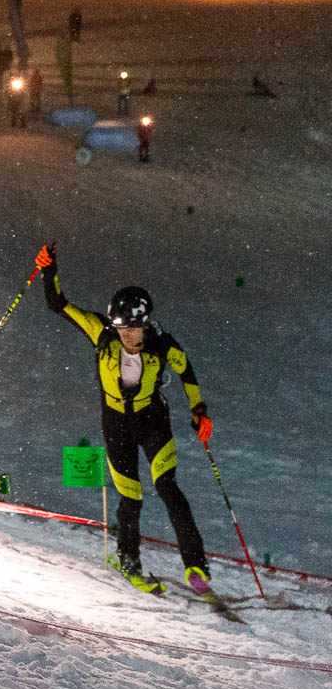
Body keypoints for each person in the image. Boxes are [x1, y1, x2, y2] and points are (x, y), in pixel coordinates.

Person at [36, 245, 214, 596]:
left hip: (152, 422)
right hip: (116, 425)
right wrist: (48, 270)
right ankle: (129, 562)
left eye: (133, 330)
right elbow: (58, 305)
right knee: (130, 498)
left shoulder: (162, 345)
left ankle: (196, 565)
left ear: (146, 324)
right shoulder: (102, 334)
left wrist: (199, 410)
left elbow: (186, 370)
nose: (126, 337)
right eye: (122, 330)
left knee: (168, 489)